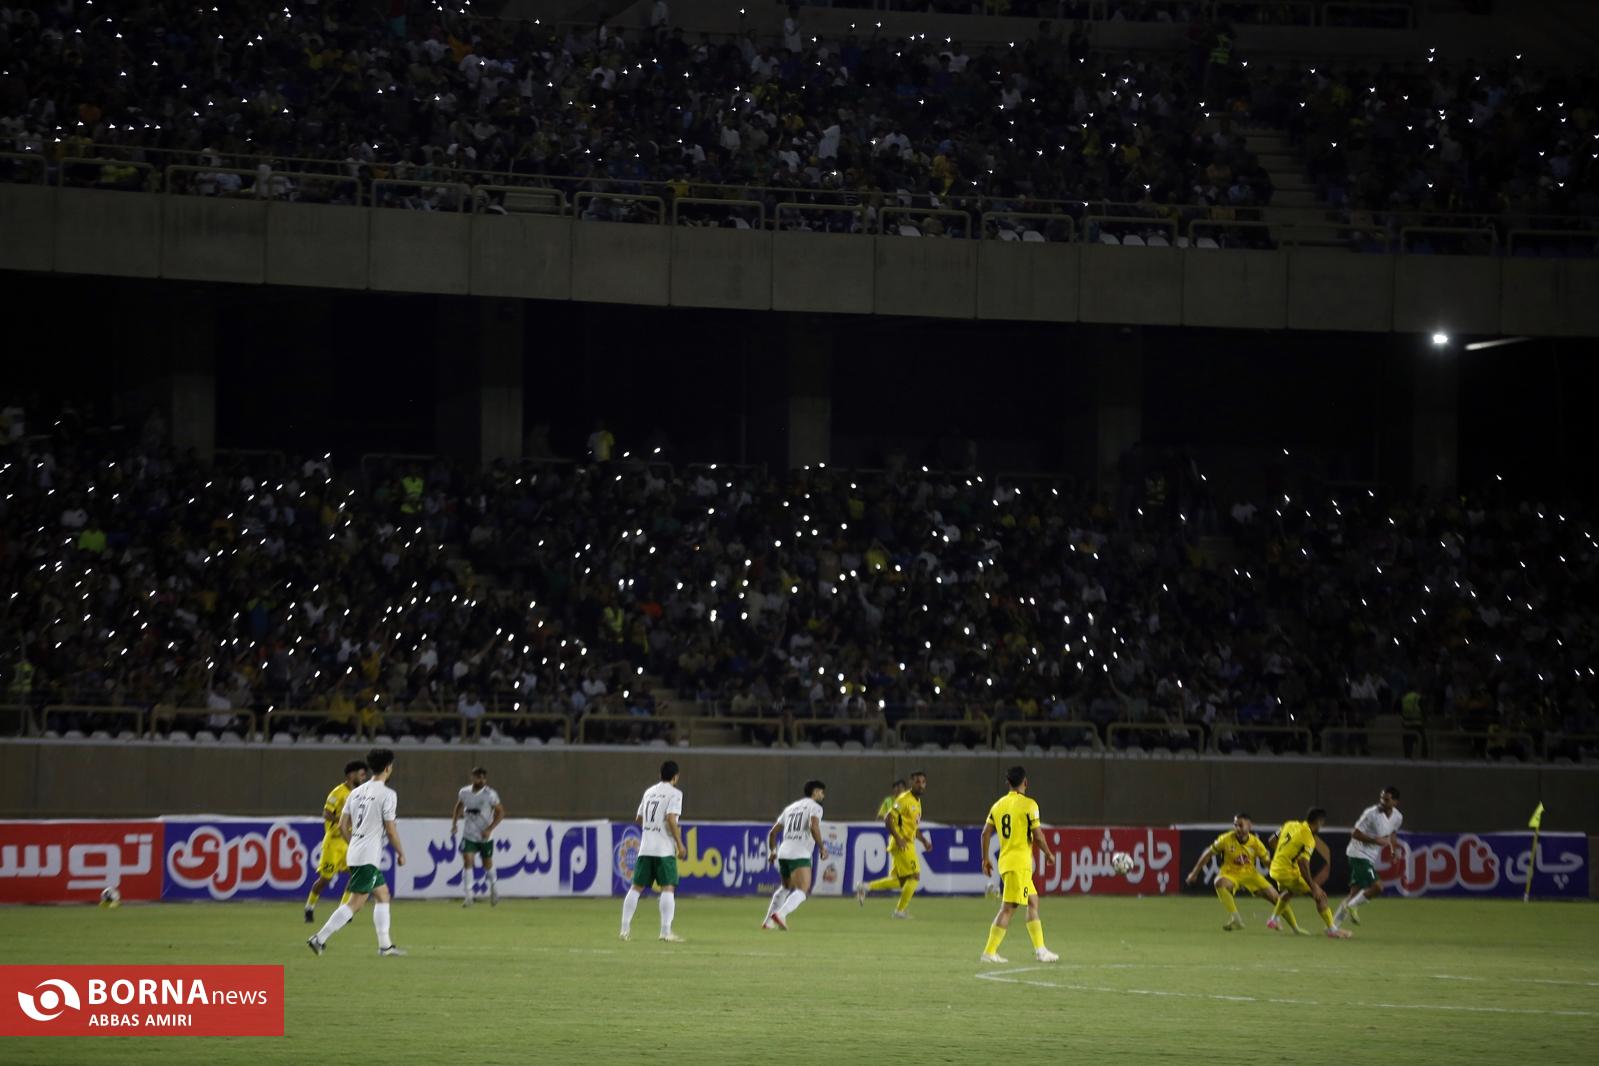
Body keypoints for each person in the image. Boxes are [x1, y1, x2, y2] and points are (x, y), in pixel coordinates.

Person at [307, 748, 408, 957]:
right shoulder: (388, 794)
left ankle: (385, 946)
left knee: (383, 895)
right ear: (388, 767)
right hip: (368, 856)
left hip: (355, 851)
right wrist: (400, 852)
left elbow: (342, 824)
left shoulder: (356, 792)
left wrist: (353, 842)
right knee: (356, 903)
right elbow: (390, 830)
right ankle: (319, 938)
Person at [979, 766, 1060, 964]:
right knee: (1008, 908)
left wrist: (985, 859)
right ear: (1025, 782)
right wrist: (1049, 854)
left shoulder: (998, 805)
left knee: (1033, 901)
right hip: (1019, 865)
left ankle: (1041, 950)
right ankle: (989, 952)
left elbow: (985, 833)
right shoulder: (1030, 805)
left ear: (1007, 782)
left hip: (1008, 862)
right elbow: (1038, 836)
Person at [620, 760, 687, 943]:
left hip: (646, 847)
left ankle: (624, 929)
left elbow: (638, 818)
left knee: (636, 888)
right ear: (675, 777)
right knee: (668, 887)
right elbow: (671, 818)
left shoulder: (649, 792)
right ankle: (665, 932)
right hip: (664, 849)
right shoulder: (675, 794)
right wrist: (680, 844)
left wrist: (652, 827)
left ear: (660, 775)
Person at [1184, 811, 1280, 931]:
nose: (1237, 828)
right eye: (1235, 825)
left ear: (1249, 826)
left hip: (1250, 876)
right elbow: (1208, 854)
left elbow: (1267, 862)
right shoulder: (1226, 839)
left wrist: (1281, 874)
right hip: (1231, 875)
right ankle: (1236, 918)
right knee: (1219, 883)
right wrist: (1194, 873)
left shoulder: (1256, 843)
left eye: (1240, 825)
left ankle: (1290, 925)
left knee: (1277, 899)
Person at [1266, 807, 1349, 939]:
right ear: (1319, 821)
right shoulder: (1309, 838)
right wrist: (1313, 886)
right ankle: (1332, 929)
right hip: (1286, 872)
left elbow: (1271, 840)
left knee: (1290, 891)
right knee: (1321, 896)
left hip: (1274, 869)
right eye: (1322, 822)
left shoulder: (1290, 824)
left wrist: (1284, 854)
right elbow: (1303, 864)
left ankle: (1273, 919)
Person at [856, 770, 930, 918]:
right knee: (914, 876)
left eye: (923, 782)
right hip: (902, 843)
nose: (921, 785)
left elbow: (912, 826)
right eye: (917, 782)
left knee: (901, 881)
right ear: (911, 783)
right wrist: (898, 838)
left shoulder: (917, 801)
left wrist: (924, 841)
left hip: (906, 842)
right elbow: (888, 818)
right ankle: (899, 911)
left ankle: (865, 887)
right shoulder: (904, 799)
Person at [305, 759, 367, 923]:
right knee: (325, 879)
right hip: (333, 843)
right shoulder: (338, 792)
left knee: (355, 875)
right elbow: (326, 813)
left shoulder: (360, 794)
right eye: (361, 774)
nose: (364, 778)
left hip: (349, 841)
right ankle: (309, 907)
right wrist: (343, 820)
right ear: (351, 775)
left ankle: (343, 911)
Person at [1333, 786, 1403, 931]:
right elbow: (1355, 833)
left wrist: (1393, 850)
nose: (1382, 802)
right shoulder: (1371, 813)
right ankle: (1352, 907)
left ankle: (1333, 927)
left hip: (1370, 857)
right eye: (1381, 798)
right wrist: (1375, 840)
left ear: (1395, 802)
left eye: (1386, 799)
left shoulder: (1398, 817)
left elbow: (1392, 834)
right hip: (1358, 854)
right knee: (1377, 887)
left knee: (1353, 894)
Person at [763, 780, 827, 931]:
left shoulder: (790, 808)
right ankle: (780, 914)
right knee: (802, 890)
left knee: (786, 887)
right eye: (821, 792)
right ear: (815, 792)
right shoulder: (815, 807)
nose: (823, 795)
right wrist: (822, 847)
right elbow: (813, 827)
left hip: (783, 853)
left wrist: (773, 852)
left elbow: (772, 833)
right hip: (799, 853)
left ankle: (768, 922)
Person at [451, 766, 505, 907]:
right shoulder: (464, 792)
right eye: (478, 777)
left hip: (485, 836)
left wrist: (489, 829)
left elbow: (501, 812)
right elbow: (459, 806)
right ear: (472, 778)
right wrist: (454, 823)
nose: (481, 780)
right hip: (469, 834)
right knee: (467, 860)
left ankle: (494, 888)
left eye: (483, 778)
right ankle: (469, 895)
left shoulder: (490, 794)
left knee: (487, 864)